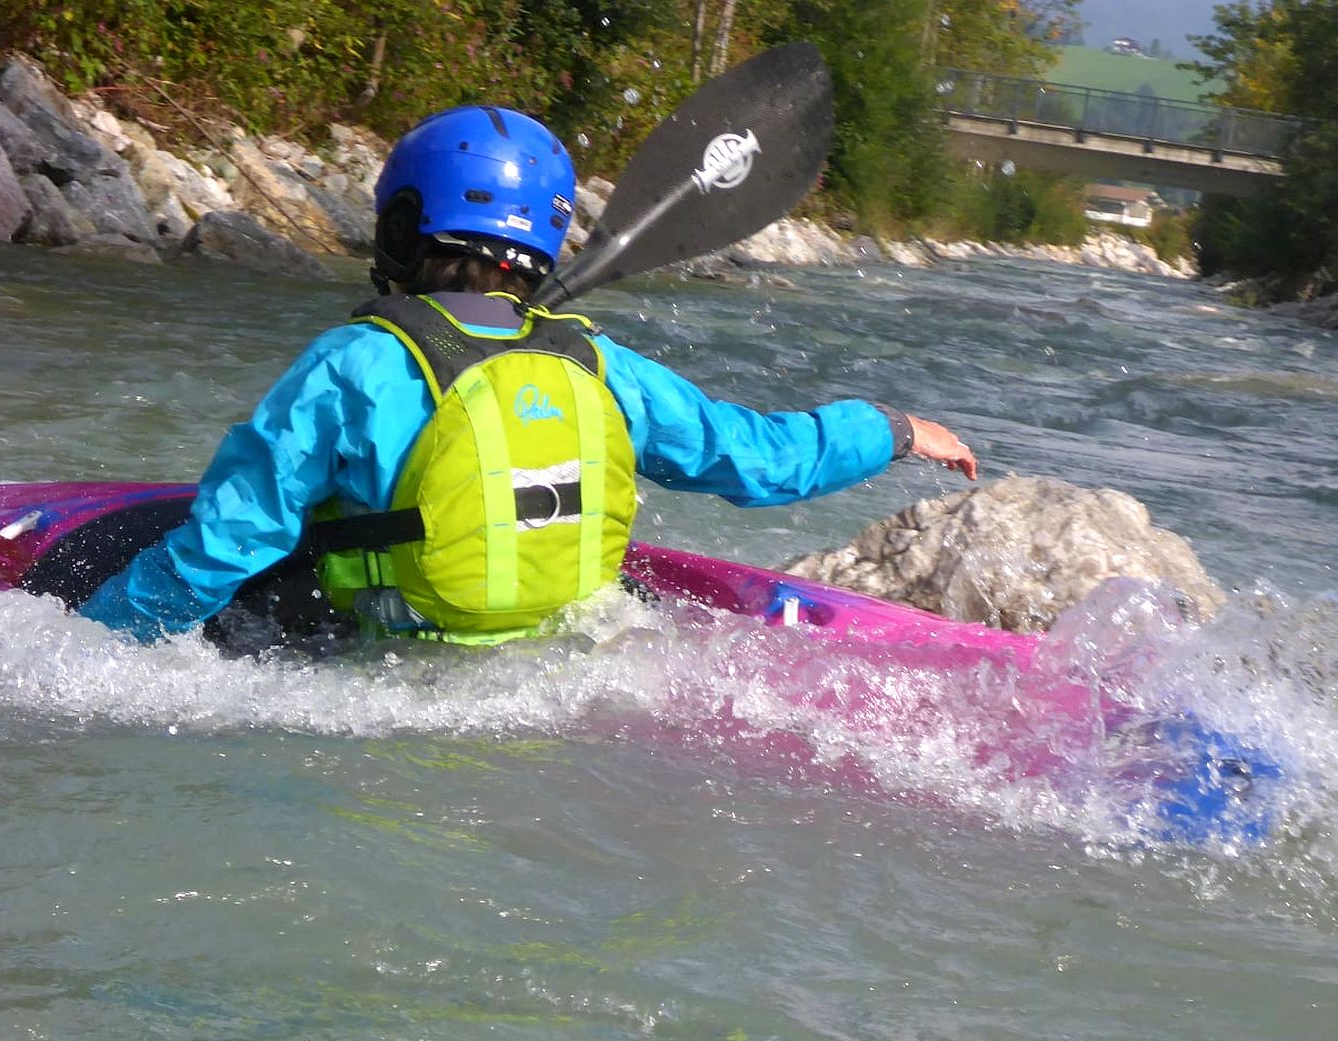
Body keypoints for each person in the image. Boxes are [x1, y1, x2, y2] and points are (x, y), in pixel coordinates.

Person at [80, 105, 978, 646]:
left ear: (402, 228)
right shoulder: (597, 363)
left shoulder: (355, 364)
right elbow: (758, 462)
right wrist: (891, 429)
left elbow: (223, 549)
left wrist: (91, 644)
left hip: (368, 655)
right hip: (556, 656)